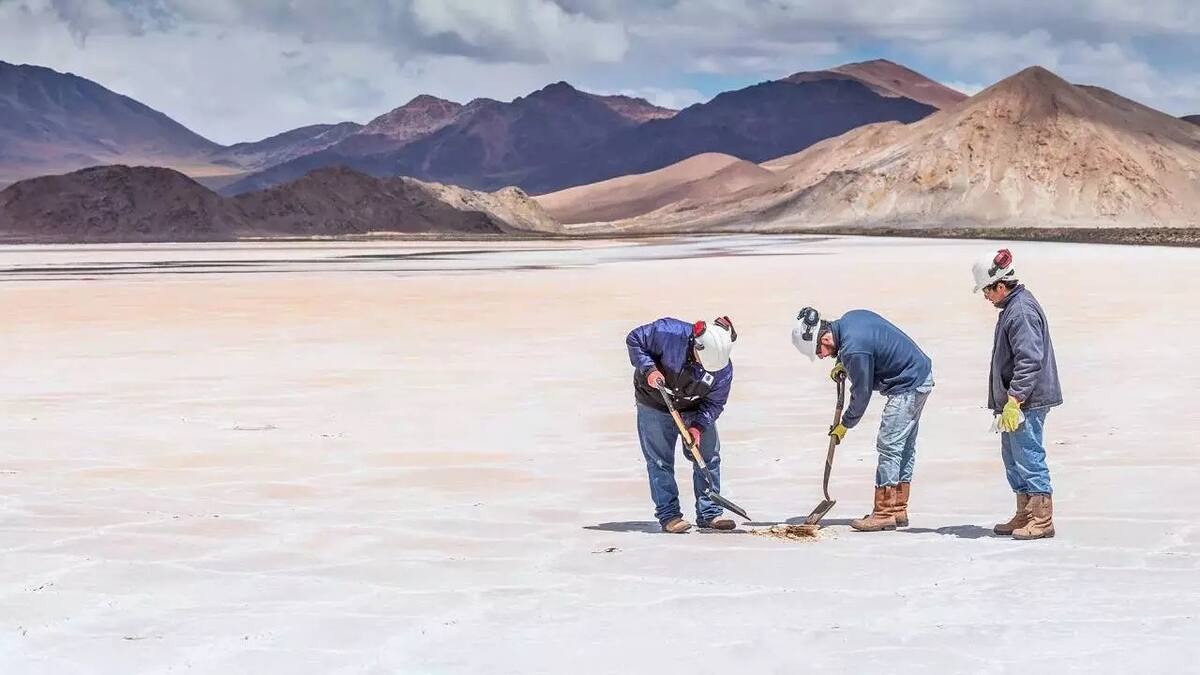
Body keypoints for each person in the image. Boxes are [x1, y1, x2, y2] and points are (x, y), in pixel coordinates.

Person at [792, 306, 934, 532]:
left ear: (825, 338)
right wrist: (843, 363)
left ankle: (884, 513)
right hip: (919, 375)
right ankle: (898, 509)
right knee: (904, 446)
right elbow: (867, 347)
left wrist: (845, 424)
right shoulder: (850, 320)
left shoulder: (853, 350)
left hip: (907, 385)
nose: (822, 356)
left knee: (889, 445)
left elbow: (862, 393)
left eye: (819, 352)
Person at [973, 248, 1062, 540]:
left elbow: (1029, 359)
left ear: (1000, 285)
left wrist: (1015, 399)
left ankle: (1042, 519)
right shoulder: (1012, 308)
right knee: (1013, 457)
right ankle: (1024, 513)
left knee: (1028, 455)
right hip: (1016, 400)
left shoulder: (1021, 311)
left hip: (1027, 400)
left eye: (986, 290)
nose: (985, 297)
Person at [626, 316, 737, 533]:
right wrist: (649, 369)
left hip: (695, 405)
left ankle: (710, 513)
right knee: (659, 461)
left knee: (708, 456)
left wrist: (698, 427)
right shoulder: (668, 332)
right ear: (697, 345)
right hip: (655, 400)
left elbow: (715, 403)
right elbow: (634, 339)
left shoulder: (723, 369)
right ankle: (670, 516)